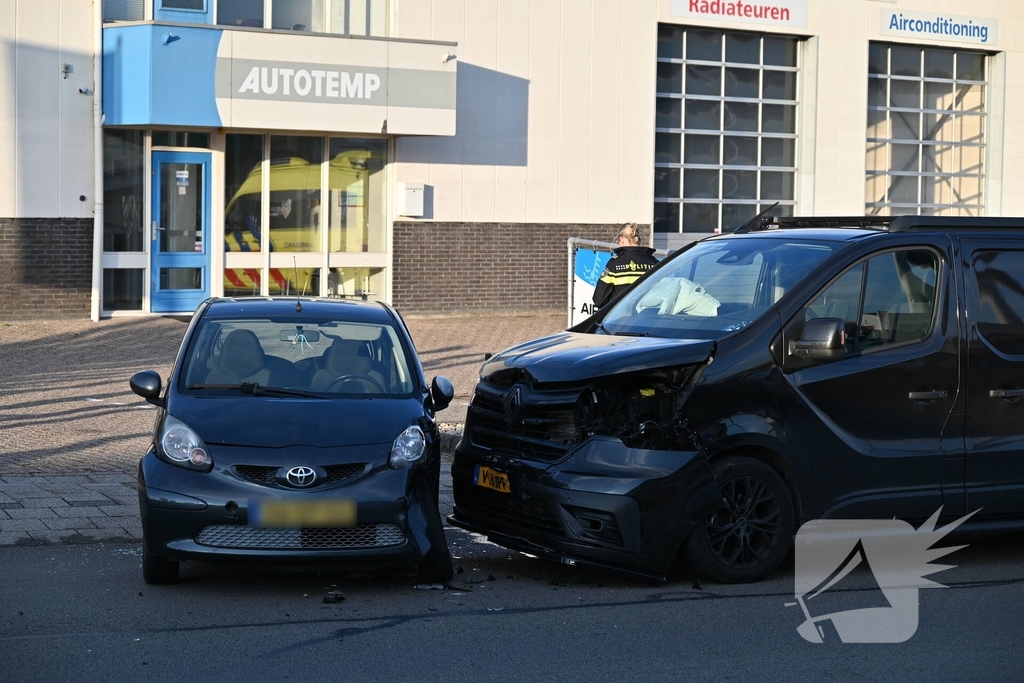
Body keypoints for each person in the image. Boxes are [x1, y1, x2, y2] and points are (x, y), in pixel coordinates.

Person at [592, 223, 659, 309]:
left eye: (618, 241)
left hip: (620, 319)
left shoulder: (614, 264)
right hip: (647, 319)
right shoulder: (654, 263)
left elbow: (598, 299)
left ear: (621, 239)